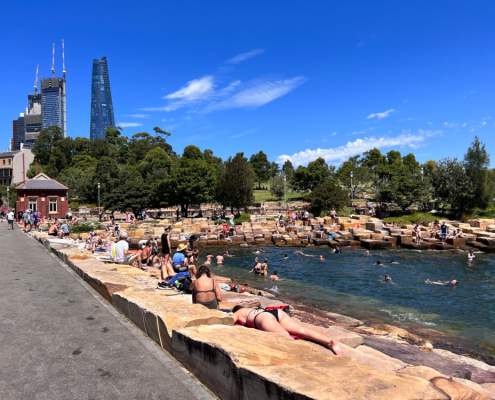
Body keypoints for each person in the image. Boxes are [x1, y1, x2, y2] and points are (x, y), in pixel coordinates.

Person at [232, 305, 342, 355]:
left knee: (285, 337)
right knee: (301, 330)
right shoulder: (250, 308)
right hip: (276, 313)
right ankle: (329, 342)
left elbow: (230, 320)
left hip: (262, 318)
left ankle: (311, 355)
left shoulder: (237, 312)